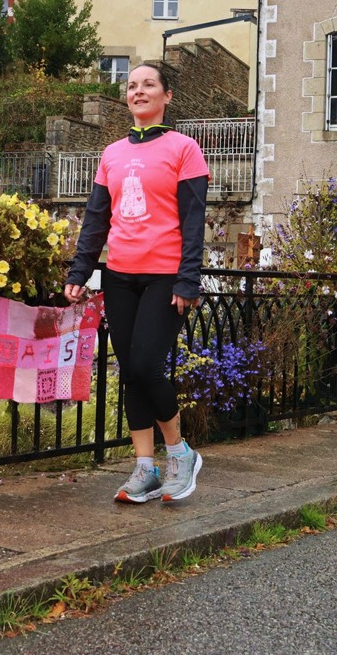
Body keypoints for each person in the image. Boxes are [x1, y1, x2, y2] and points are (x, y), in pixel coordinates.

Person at [64, 62, 209, 503]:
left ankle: (180, 454)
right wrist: (80, 271)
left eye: (148, 84)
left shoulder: (184, 149)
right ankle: (145, 467)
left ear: (167, 96)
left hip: (166, 277)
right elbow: (96, 218)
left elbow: (193, 220)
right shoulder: (112, 154)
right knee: (130, 373)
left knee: (146, 366)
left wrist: (188, 280)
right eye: (131, 86)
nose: (138, 91)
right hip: (120, 276)